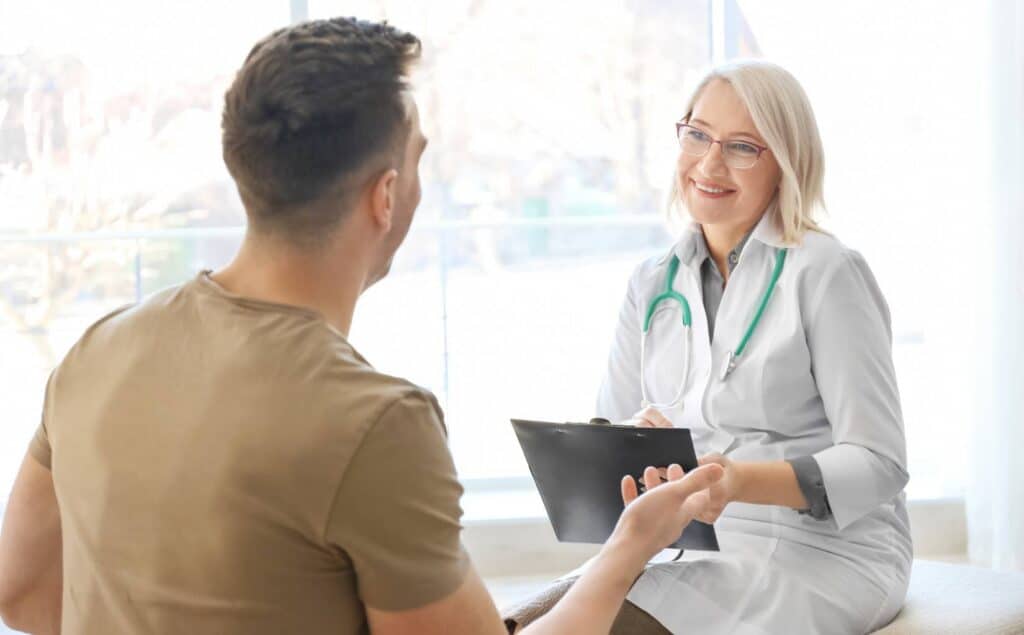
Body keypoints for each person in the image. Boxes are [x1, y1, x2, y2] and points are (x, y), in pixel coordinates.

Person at [0, 17, 726, 635]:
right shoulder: (376, 422)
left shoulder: (98, 347)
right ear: (385, 196)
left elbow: (25, 591)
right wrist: (633, 543)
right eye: (415, 163)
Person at [504, 61, 912, 634]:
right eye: (697, 134)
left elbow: (879, 463)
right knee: (511, 622)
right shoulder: (652, 281)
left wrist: (737, 480)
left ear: (786, 164)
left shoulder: (827, 272)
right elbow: (612, 426)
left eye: (742, 147)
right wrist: (628, 443)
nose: (710, 163)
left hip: (824, 549)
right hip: (685, 539)